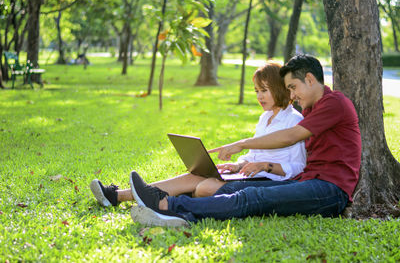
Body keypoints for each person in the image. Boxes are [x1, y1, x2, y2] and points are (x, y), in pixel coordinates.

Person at [128, 54, 362, 227]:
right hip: (307, 181)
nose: (291, 95)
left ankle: (167, 207)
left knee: (252, 197)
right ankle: (170, 203)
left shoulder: (335, 103)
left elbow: (290, 137)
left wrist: (242, 143)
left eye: (293, 87)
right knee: (241, 188)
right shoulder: (313, 109)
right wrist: (241, 163)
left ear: (310, 79)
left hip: (331, 191)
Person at [89, 62, 306, 207]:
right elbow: (254, 156)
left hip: (270, 182)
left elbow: (298, 168)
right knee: (196, 176)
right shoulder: (264, 118)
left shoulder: (294, 121)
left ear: (279, 88)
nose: (259, 96)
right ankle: (117, 196)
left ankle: (159, 201)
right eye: (256, 91)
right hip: (251, 176)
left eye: (264, 90)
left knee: (204, 187)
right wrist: (238, 165)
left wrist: (265, 166)